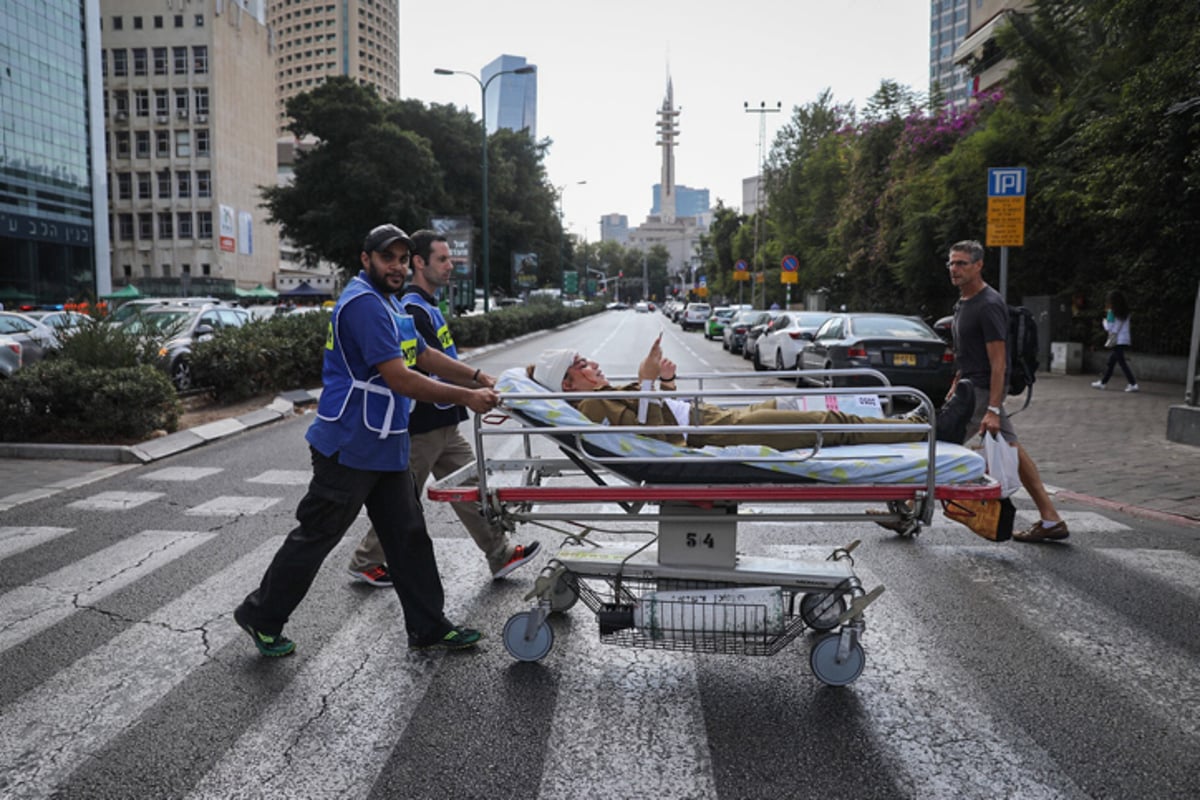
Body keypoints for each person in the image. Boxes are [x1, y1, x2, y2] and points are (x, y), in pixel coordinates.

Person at [234, 224, 501, 657]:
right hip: (350, 444)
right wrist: (468, 397)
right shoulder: (363, 305)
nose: (395, 266)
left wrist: (474, 375)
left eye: (401, 258)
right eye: (387, 258)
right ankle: (260, 614)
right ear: (366, 259)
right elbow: (400, 377)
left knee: (409, 537)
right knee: (318, 534)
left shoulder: (391, 304)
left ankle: (428, 625)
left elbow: (424, 355)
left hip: (386, 443)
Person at [347, 230, 540, 586]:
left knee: (472, 486)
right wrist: (475, 390)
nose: (451, 265)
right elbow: (421, 369)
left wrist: (481, 379)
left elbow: (436, 357)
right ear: (420, 263)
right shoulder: (412, 309)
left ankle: (499, 553)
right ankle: (366, 560)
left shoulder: (426, 307)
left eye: (450, 258)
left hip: (443, 421)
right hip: (422, 425)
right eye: (442, 259)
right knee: (402, 501)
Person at [526, 336, 975, 449]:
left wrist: (660, 382)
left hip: (715, 418)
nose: (594, 365)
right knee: (827, 424)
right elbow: (655, 439)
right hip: (712, 435)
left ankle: (914, 424)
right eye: (582, 364)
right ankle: (927, 429)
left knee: (795, 404)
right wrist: (647, 383)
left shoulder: (597, 393)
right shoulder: (588, 404)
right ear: (567, 383)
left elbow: (658, 413)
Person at [945, 239, 1068, 542]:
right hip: (971, 386)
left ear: (978, 265)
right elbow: (967, 351)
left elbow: (999, 363)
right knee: (1013, 450)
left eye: (961, 263)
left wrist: (993, 409)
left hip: (983, 392)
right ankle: (1051, 519)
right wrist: (955, 380)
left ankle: (907, 511)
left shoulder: (988, 304)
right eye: (951, 263)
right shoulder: (964, 302)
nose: (954, 269)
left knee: (939, 447)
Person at [1092, 290, 1138, 392]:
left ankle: (1133, 384)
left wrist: (1104, 322)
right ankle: (1103, 383)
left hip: (1117, 340)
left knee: (1121, 363)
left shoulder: (1111, 312)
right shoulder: (1125, 312)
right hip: (1124, 339)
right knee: (1111, 362)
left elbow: (1110, 328)